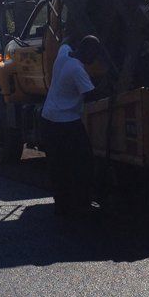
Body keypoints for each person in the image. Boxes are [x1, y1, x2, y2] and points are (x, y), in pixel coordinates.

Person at [40, 35, 101, 216]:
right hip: (65, 123)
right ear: (86, 51)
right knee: (82, 162)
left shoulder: (64, 54)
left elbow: (66, 40)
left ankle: (62, 204)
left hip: (48, 118)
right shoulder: (77, 70)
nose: (94, 59)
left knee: (58, 164)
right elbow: (92, 95)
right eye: (94, 54)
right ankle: (82, 203)